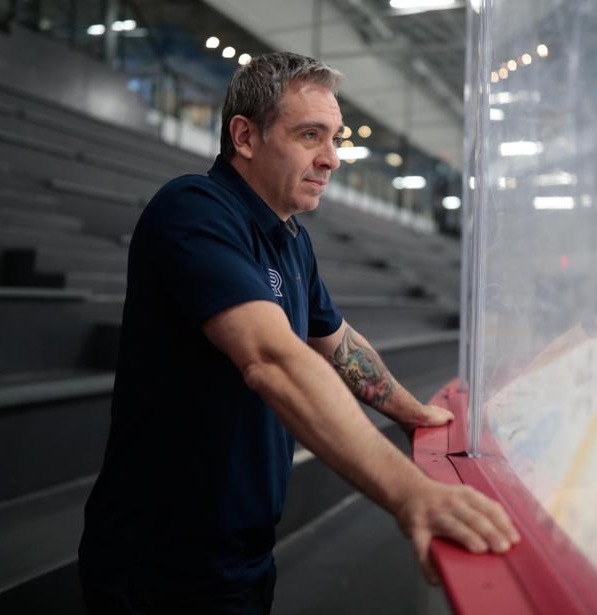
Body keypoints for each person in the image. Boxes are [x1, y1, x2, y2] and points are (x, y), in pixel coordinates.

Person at [78, 51, 520, 615]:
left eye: (335, 138)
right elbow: (272, 360)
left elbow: (338, 343)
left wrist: (414, 414)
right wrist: (410, 493)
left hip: (243, 553)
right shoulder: (193, 210)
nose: (332, 158)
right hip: (159, 566)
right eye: (310, 135)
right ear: (245, 136)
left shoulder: (291, 237)